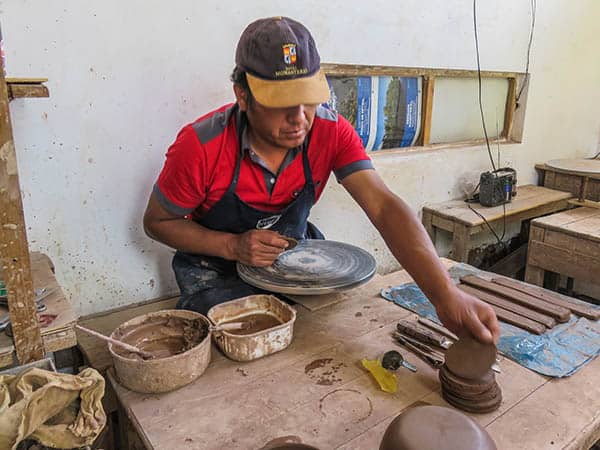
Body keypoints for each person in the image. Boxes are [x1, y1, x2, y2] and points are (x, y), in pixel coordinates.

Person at [143, 16, 500, 344]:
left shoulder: (331, 131)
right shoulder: (201, 146)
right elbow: (157, 223)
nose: (299, 119)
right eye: (281, 103)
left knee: (324, 342)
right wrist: (232, 247)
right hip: (215, 271)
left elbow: (383, 206)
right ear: (242, 94)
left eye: (308, 100)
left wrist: (445, 296)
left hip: (291, 262)